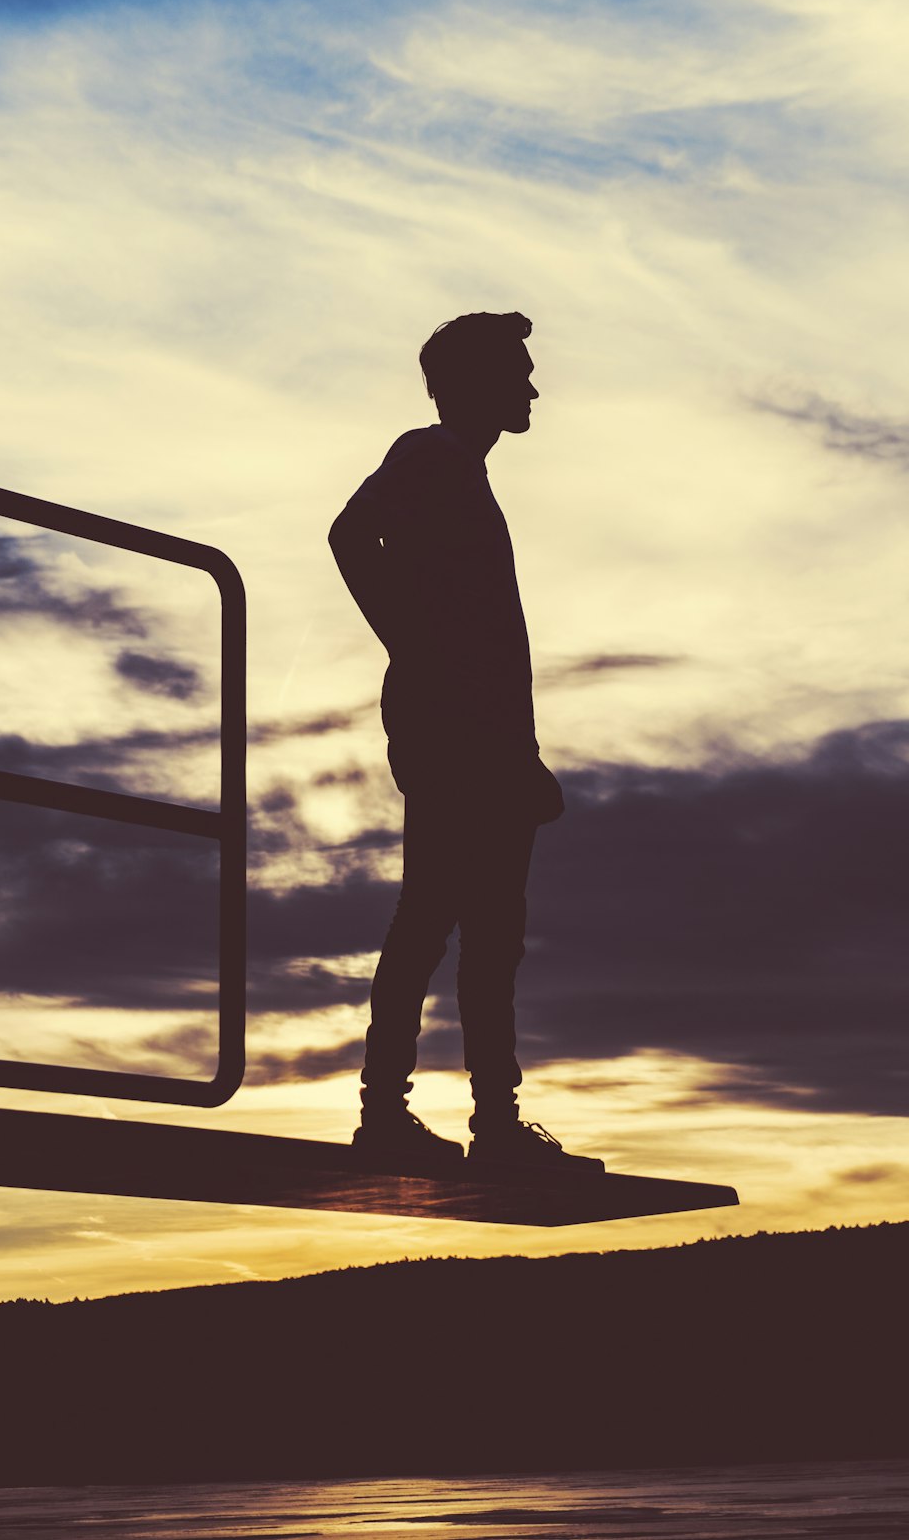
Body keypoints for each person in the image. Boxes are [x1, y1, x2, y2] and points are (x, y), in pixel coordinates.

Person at [328, 311, 602, 1174]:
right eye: (517, 370)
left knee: (484, 929)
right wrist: (411, 642)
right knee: (443, 922)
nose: (530, 386)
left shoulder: (457, 473)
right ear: (472, 381)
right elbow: (346, 536)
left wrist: (517, 753)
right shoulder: (430, 456)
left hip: (483, 740)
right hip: (456, 736)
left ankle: (483, 1121)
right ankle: (398, 1114)